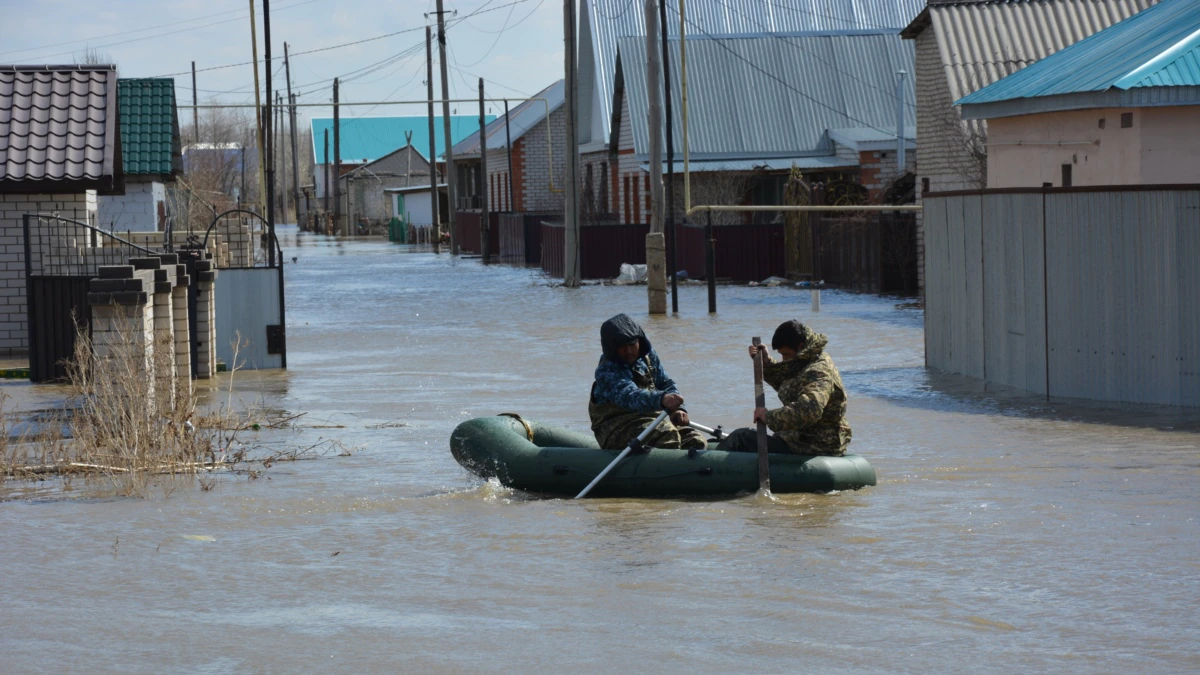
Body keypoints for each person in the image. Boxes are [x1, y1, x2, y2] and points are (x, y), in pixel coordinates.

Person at [717, 320, 852, 456]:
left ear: (800, 346)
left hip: (816, 444)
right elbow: (791, 386)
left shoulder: (818, 371)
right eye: (781, 355)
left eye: (786, 354)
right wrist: (767, 364)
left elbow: (810, 409)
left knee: (741, 438)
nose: (784, 360)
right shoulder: (806, 359)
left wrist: (769, 417)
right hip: (799, 437)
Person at [589, 313, 708, 451]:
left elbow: (665, 383)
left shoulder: (648, 357)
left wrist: (677, 409)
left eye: (632, 344)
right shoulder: (606, 371)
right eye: (622, 346)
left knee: (695, 440)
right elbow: (629, 396)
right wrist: (662, 399)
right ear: (611, 348)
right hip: (617, 428)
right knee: (666, 434)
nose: (628, 351)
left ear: (639, 341)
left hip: (651, 421)